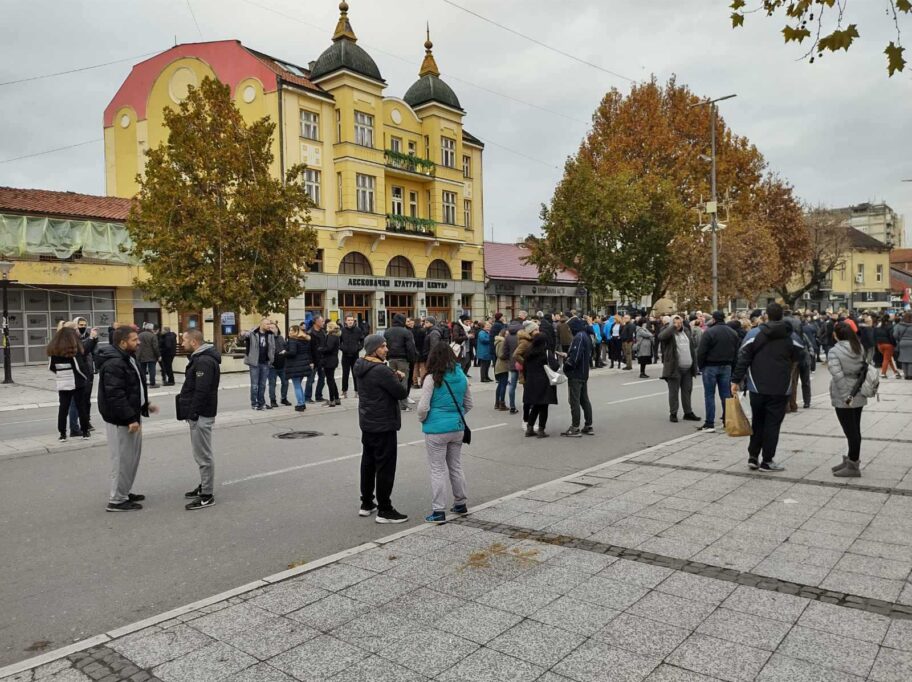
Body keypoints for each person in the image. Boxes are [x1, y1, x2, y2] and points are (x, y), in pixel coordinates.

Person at [731, 302, 803, 473]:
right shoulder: (791, 336)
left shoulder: (754, 334)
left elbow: (743, 359)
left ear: (766, 316)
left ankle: (753, 456)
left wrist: (735, 380)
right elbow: (801, 355)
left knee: (758, 421)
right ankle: (767, 460)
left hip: (757, 386)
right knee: (773, 425)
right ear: (782, 316)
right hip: (780, 387)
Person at [96, 326, 158, 512]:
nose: (138, 342)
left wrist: (144, 405)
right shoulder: (114, 363)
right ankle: (116, 500)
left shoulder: (128, 358)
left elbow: (133, 387)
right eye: (134, 340)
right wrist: (130, 418)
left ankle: (124, 491)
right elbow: (115, 395)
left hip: (132, 415)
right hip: (121, 420)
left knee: (131, 458)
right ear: (123, 343)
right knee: (122, 460)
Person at [354, 334, 410, 523]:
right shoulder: (381, 370)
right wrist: (399, 377)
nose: (387, 349)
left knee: (368, 463)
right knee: (385, 467)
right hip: (384, 423)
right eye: (383, 346)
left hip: (368, 421)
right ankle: (385, 509)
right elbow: (401, 393)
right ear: (374, 349)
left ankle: (367, 503)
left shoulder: (360, 365)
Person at [417, 342, 472, 523]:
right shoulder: (461, 376)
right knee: (455, 466)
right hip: (457, 427)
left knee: (437, 469)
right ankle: (460, 503)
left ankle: (438, 510)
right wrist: (456, 415)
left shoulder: (432, 378)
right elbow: (469, 404)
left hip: (436, 429)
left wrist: (424, 419)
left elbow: (423, 406)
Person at [178, 329, 221, 509]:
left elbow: (201, 391)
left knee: (203, 455)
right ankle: (204, 485)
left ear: (194, 342)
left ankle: (207, 495)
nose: (182, 344)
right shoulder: (200, 358)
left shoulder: (203, 361)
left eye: (184, 340)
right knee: (201, 454)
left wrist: (193, 413)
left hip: (201, 413)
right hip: (199, 412)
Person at [828, 322, 868, 478]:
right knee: (854, 429)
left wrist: (846, 396)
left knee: (851, 431)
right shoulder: (859, 347)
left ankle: (853, 465)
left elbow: (838, 375)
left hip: (845, 394)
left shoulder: (834, 351)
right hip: (858, 390)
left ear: (836, 335)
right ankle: (851, 458)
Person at [696, 311, 740, 432]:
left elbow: (701, 351)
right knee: (726, 395)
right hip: (727, 366)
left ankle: (709, 422)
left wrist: (701, 366)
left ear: (714, 319)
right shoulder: (733, 333)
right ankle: (727, 420)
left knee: (709, 395)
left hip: (711, 366)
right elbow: (736, 352)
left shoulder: (709, 332)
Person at [47, 327, 91, 441]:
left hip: (63, 382)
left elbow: (51, 367)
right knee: (81, 407)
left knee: (63, 408)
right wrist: (85, 377)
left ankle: (62, 434)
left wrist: (61, 374)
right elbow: (80, 367)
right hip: (77, 382)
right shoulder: (73, 351)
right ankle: (85, 432)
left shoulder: (54, 351)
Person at [658, 315, 700, 423]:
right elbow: (661, 337)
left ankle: (688, 412)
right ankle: (673, 413)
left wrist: (694, 365)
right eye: (676, 323)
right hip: (674, 368)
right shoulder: (669, 333)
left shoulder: (686, 331)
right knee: (674, 392)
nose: (678, 325)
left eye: (680, 322)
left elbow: (691, 348)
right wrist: (673, 327)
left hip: (688, 368)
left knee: (687, 391)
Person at [562, 316, 593, 437]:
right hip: (584, 372)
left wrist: (567, 365)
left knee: (574, 401)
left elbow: (575, 357)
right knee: (584, 399)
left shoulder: (579, 337)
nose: (569, 330)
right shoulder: (585, 335)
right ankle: (588, 425)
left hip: (576, 373)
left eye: (569, 327)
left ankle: (575, 427)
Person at [523, 334, 558, 438]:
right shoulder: (546, 352)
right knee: (543, 406)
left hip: (531, 382)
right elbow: (555, 366)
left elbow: (524, 368)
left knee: (536, 405)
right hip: (544, 382)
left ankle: (530, 427)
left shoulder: (528, 353)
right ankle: (541, 430)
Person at [69, 318, 99, 437]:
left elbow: (93, 351)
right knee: (76, 402)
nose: (82, 327)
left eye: (84, 325)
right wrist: (91, 339)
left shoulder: (88, 335)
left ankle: (86, 422)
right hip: (79, 373)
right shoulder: (73, 339)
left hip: (88, 371)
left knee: (86, 401)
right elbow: (83, 350)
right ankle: (77, 427)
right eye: (79, 325)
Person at [384, 313, 417, 411]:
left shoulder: (387, 331)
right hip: (403, 359)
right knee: (403, 381)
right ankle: (403, 405)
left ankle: (393, 403)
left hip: (391, 358)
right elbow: (411, 348)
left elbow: (385, 345)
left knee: (393, 381)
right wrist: (412, 360)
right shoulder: (406, 332)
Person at [242, 318, 274, 410]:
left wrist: (271, 359)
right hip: (254, 363)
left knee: (263, 384)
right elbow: (242, 337)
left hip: (265, 362)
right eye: (267, 324)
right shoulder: (253, 333)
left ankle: (262, 402)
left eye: (269, 324)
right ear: (262, 324)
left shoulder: (270, 334)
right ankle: (254, 403)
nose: (269, 326)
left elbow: (272, 347)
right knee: (255, 385)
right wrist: (242, 333)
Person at [340, 315, 364, 398]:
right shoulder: (342, 330)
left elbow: (362, 340)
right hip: (345, 355)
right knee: (345, 374)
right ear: (345, 321)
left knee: (356, 374)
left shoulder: (358, 330)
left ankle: (357, 391)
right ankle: (344, 391)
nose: (350, 321)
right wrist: (343, 348)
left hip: (355, 355)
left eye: (352, 320)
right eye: (348, 320)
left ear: (354, 321)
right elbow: (338, 342)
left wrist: (358, 348)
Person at [305, 315, 327, 403]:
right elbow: (308, 349)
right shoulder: (310, 333)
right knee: (310, 380)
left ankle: (319, 396)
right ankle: (307, 397)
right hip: (313, 360)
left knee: (322, 379)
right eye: (322, 321)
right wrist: (310, 361)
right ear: (316, 322)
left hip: (322, 359)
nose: (323, 323)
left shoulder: (323, 332)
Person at [267, 322, 289, 408]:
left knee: (285, 383)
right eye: (270, 328)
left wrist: (285, 351)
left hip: (283, 365)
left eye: (274, 328)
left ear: (277, 329)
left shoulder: (281, 338)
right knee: (272, 384)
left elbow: (286, 347)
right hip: (272, 366)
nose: (272, 329)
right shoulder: (268, 338)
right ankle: (273, 400)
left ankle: (284, 398)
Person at [874, 314, 901, 379]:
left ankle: (896, 372)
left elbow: (875, 335)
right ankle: (883, 373)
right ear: (888, 319)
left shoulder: (878, 326)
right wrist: (894, 344)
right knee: (886, 359)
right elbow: (892, 336)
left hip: (880, 345)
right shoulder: (890, 326)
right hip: (888, 345)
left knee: (889, 359)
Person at [322, 321, 342, 406]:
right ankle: (337, 398)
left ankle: (332, 400)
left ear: (330, 327)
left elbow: (329, 348)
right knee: (332, 379)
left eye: (327, 326)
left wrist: (320, 349)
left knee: (329, 380)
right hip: (333, 360)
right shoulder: (336, 336)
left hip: (329, 360)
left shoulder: (331, 336)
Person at [137, 323, 160, 388]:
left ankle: (143, 382)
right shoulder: (153, 336)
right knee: (152, 370)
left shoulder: (139, 335)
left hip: (141, 355)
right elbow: (155, 347)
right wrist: (158, 355)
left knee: (142, 370)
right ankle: (152, 383)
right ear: (151, 329)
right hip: (151, 356)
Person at [493, 328, 511, 411]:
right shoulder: (502, 342)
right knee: (503, 385)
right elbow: (501, 355)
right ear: (503, 334)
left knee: (500, 384)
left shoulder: (499, 341)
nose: (508, 335)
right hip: (502, 365)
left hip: (500, 365)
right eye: (506, 334)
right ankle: (501, 403)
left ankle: (497, 403)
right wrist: (509, 355)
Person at [894, 311, 912, 379]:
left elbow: (895, 335)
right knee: (911, 360)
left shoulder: (899, 325)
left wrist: (900, 339)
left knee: (904, 359)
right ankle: (910, 375)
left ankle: (906, 375)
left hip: (902, 343)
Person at [410, 317, 426, 388]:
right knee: (423, 368)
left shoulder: (411, 331)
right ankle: (423, 382)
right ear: (420, 322)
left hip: (414, 352)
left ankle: (415, 383)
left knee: (415, 368)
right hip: (422, 351)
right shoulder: (423, 331)